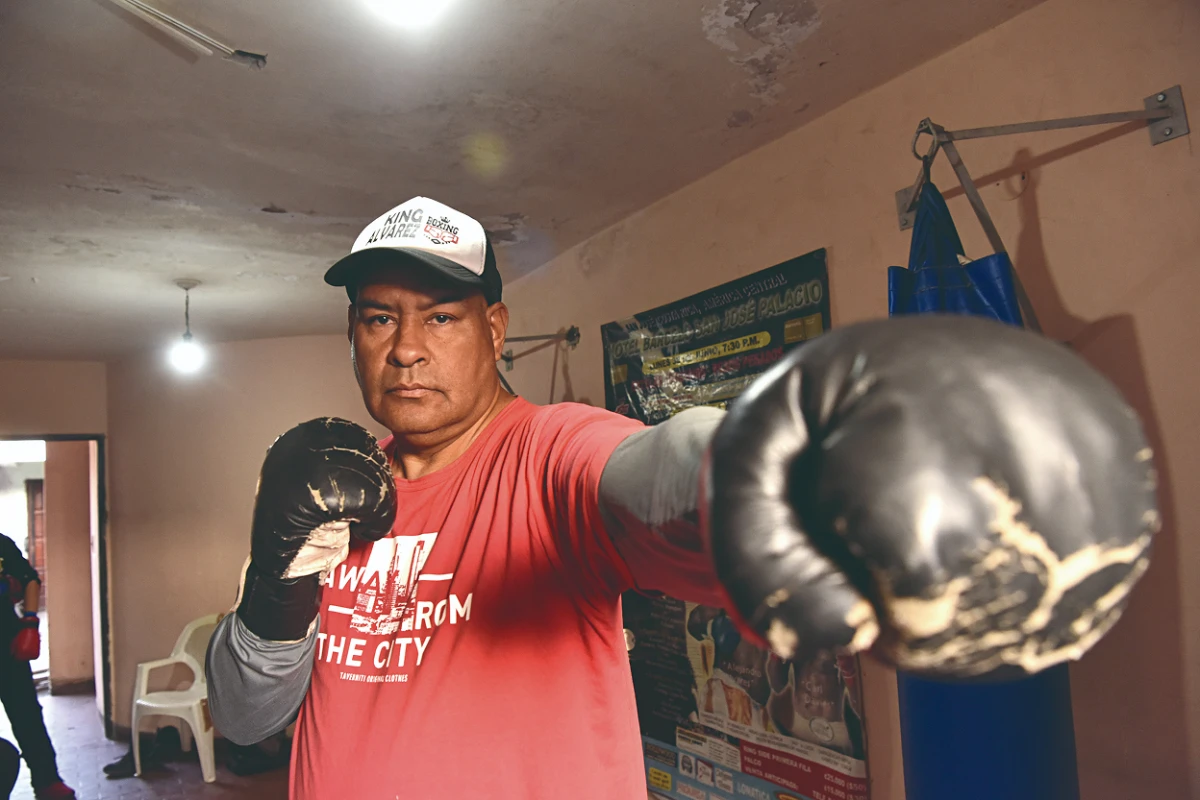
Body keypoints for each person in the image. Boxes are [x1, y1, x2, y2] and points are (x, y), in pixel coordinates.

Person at [206, 196, 1158, 799]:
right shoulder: (329, 490)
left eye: (440, 318)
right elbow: (246, 721)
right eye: (379, 318)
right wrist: (274, 596)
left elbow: (656, 469)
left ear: (493, 329)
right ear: (352, 336)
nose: (406, 348)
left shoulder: (549, 455)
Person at [0, 533, 75, 798]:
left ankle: (47, 780)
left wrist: (30, 623)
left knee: (27, 715)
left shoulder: (1, 544)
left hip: (6, 646)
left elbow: (30, 578)